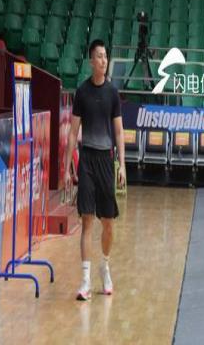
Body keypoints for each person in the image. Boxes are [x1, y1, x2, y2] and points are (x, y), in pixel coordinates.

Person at [64, 39, 126, 301]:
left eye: (105, 56)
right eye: (99, 56)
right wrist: (67, 166)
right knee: (87, 220)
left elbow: (119, 132)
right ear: (91, 61)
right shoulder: (82, 92)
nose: (103, 60)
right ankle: (86, 280)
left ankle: (105, 267)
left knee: (108, 223)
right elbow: (73, 132)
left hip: (106, 161)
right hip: (87, 160)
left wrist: (122, 165)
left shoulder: (112, 93)